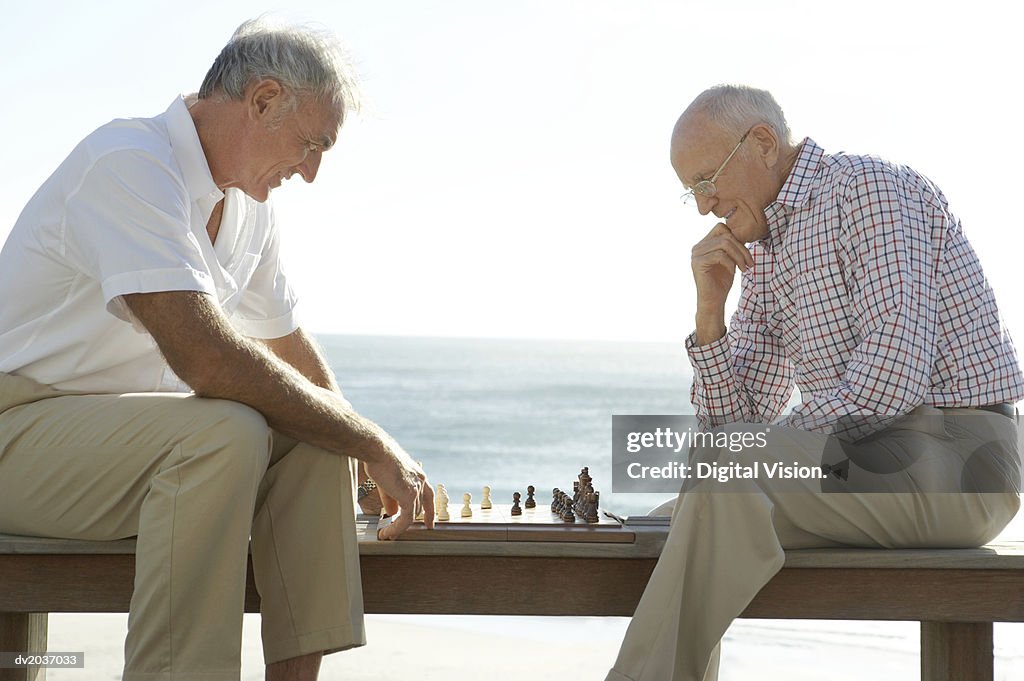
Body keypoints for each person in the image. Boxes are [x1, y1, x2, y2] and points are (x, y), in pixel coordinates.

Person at [0, 19, 434, 681]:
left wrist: (358, 451)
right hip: (15, 433)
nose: (312, 172)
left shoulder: (250, 211)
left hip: (118, 446)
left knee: (317, 438)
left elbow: (286, 349)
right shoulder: (130, 161)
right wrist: (371, 437)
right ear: (261, 101)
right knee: (224, 431)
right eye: (312, 144)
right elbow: (206, 358)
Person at [605, 85, 1024, 681]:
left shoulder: (870, 191)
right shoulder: (767, 249)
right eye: (691, 191)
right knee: (692, 504)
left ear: (763, 143)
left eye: (707, 180)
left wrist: (756, 461)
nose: (703, 206)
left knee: (715, 485)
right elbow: (736, 429)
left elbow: (891, 377)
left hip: (961, 464)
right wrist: (709, 319)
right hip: (865, 466)